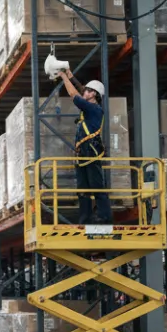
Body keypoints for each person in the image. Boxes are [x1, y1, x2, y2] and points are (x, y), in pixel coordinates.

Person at [59, 69, 112, 225]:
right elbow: (81, 90)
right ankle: (85, 218)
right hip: (83, 153)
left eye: (88, 91)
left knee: (97, 186)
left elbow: (74, 96)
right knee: (83, 189)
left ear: (94, 95)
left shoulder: (94, 109)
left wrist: (63, 77)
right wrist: (70, 75)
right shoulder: (90, 107)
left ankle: (104, 216)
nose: (85, 92)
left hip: (91, 152)